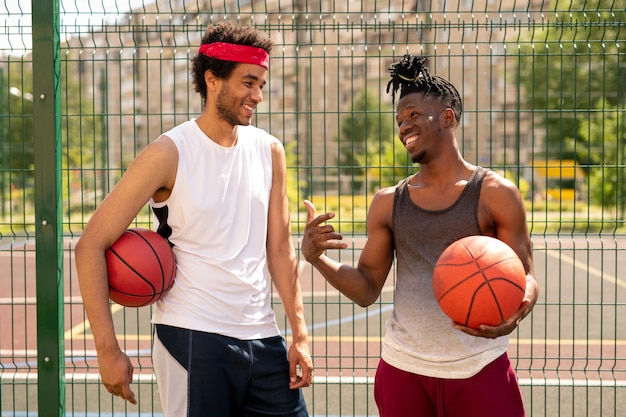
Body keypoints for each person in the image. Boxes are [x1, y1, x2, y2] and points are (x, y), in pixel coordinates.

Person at [76, 22, 312, 416]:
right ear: (212, 79)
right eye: (248, 83)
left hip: (263, 336)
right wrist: (107, 348)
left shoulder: (270, 151)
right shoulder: (169, 153)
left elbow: (280, 247)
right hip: (192, 336)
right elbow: (90, 245)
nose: (257, 95)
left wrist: (299, 332)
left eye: (261, 86)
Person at [302, 54, 539, 417]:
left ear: (448, 117)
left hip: (478, 366)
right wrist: (317, 258)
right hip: (403, 370)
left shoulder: (495, 192)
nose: (403, 126)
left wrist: (517, 312)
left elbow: (526, 276)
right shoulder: (387, 202)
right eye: (399, 120)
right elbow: (366, 288)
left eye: (413, 115)